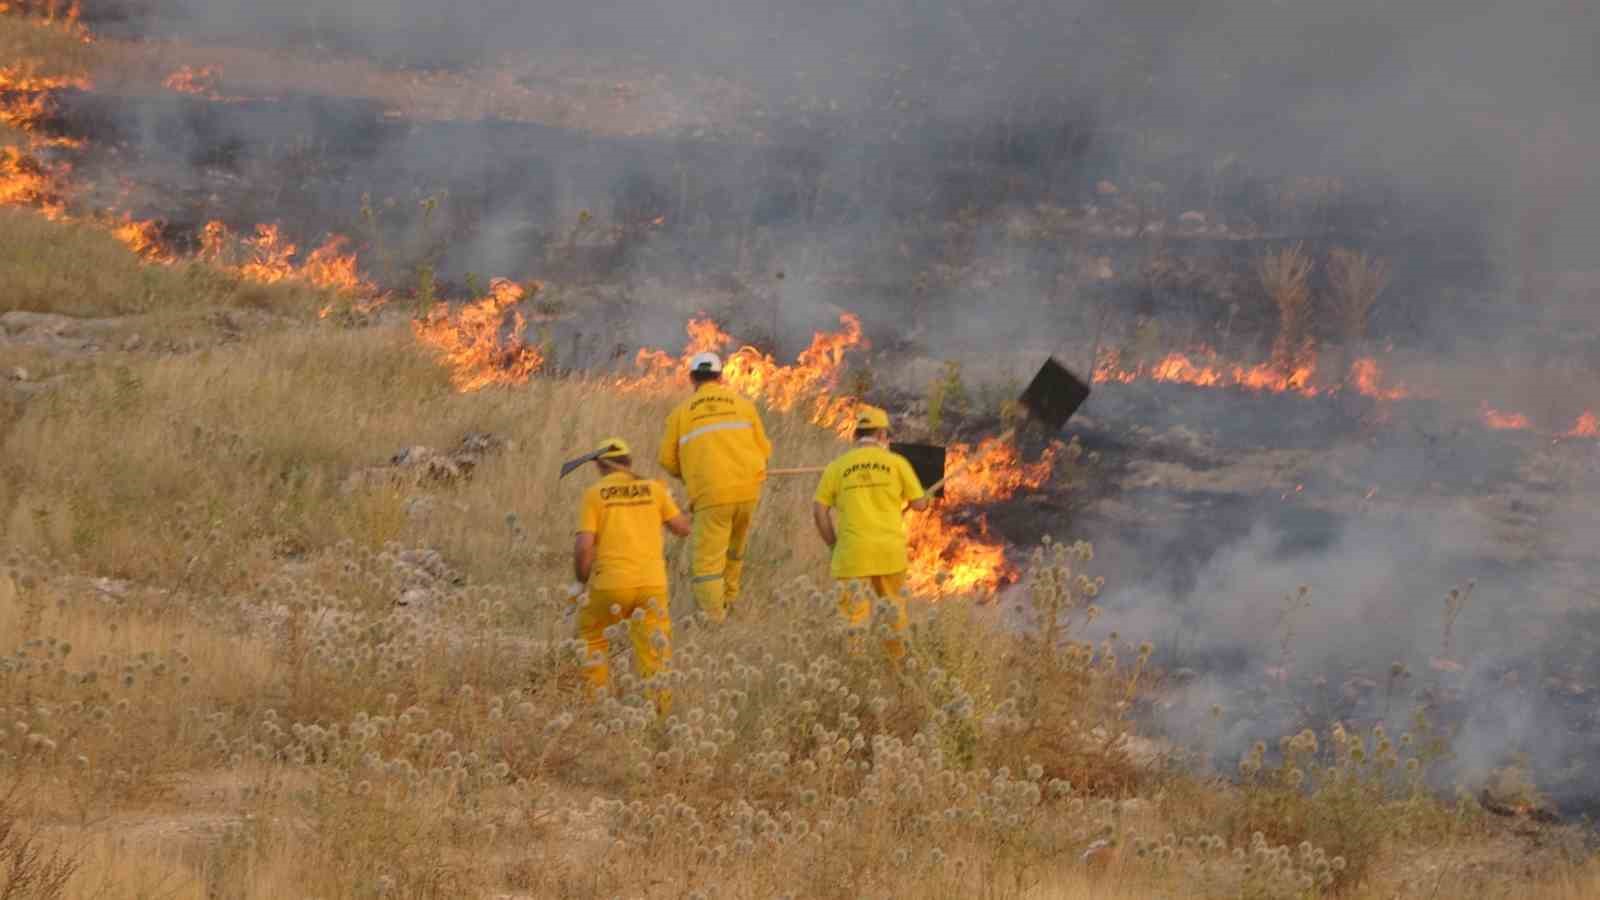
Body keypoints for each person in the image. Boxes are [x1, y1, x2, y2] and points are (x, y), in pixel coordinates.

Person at [570, 437, 691, 712]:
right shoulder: (655, 490)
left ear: (601, 466)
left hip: (609, 584)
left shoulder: (595, 494)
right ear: (629, 462)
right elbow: (683, 528)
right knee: (655, 651)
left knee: (594, 638)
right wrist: (676, 501)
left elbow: (583, 546)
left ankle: (596, 707)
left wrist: (580, 581)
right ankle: (659, 714)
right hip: (652, 586)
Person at [658, 351, 772, 623]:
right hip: (748, 492)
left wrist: (689, 475)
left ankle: (713, 620)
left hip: (711, 495)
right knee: (734, 551)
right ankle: (731, 601)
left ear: (691, 379)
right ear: (721, 377)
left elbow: (666, 460)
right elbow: (764, 450)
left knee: (708, 563)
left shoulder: (681, 414)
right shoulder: (744, 406)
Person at [811, 405, 930, 659]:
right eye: (886, 435)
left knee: (853, 617)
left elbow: (819, 511)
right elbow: (920, 505)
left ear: (856, 437)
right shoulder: (897, 463)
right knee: (894, 613)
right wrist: (921, 497)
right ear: (880, 435)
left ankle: (855, 668)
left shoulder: (837, 467)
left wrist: (833, 545)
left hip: (853, 553)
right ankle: (897, 666)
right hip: (889, 552)